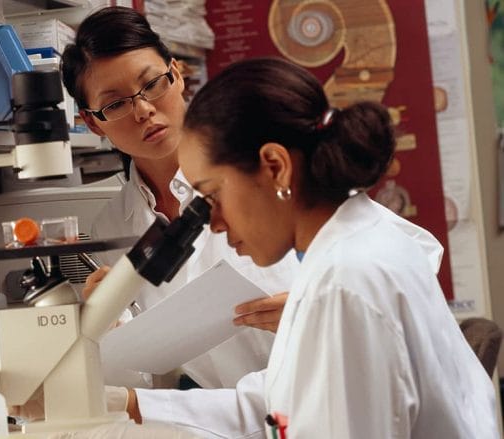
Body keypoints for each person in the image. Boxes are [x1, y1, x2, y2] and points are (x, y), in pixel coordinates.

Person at [120, 57, 498, 438]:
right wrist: (131, 404)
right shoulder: (354, 242)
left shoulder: (343, 282)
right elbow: (282, 405)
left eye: (213, 195)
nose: (214, 223)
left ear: (275, 166)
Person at [60, 6, 298, 389]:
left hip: (317, 386)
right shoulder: (110, 228)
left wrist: (314, 312)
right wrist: (108, 325)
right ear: (92, 122)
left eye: (153, 84)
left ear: (177, 74)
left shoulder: (264, 162)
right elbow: (146, 371)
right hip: (223, 412)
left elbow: (372, 261)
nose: (143, 110)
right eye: (115, 104)